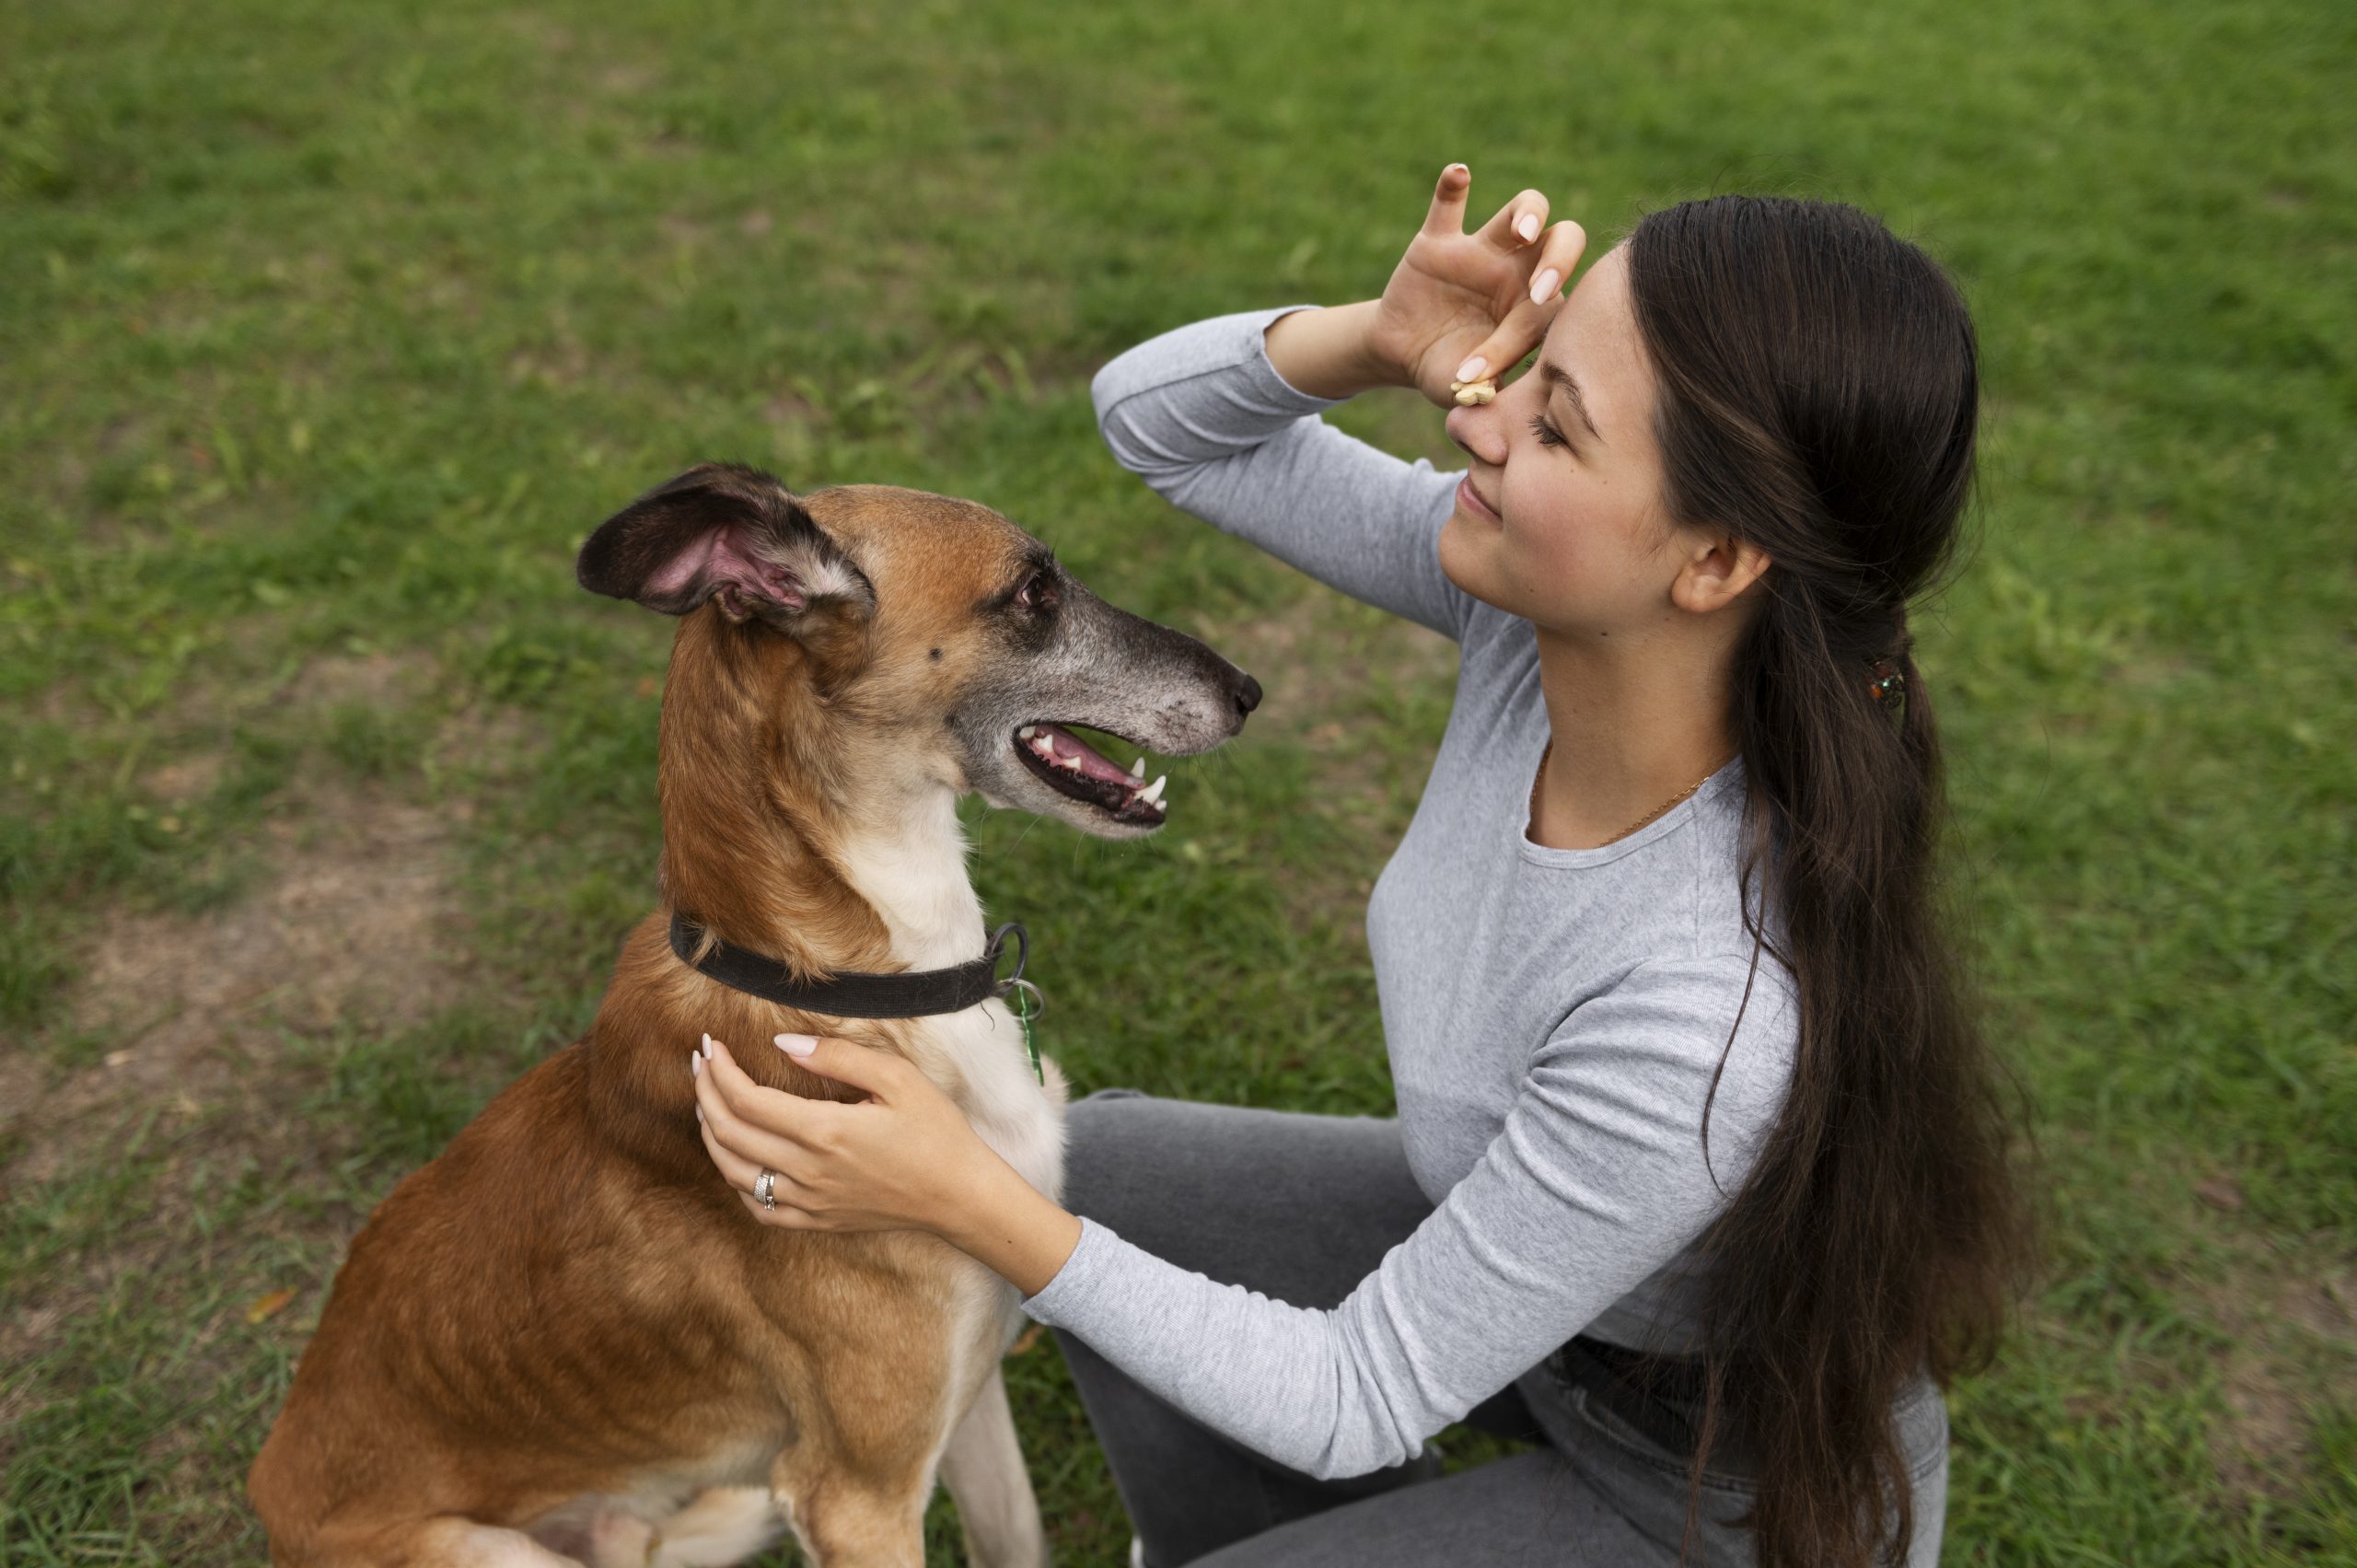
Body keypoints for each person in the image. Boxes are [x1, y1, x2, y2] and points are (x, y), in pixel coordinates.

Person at [689, 165, 2027, 1567]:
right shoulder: (1543, 619)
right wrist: (1371, 337)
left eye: (1555, 425)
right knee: (1112, 1169)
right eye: (1528, 363)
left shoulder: (1702, 1012)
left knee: (1046, 1205)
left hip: (1705, 1494)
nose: (1475, 414)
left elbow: (1354, 1398)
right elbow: (1156, 427)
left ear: (1713, 562)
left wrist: (961, 1194)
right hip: (1554, 1330)